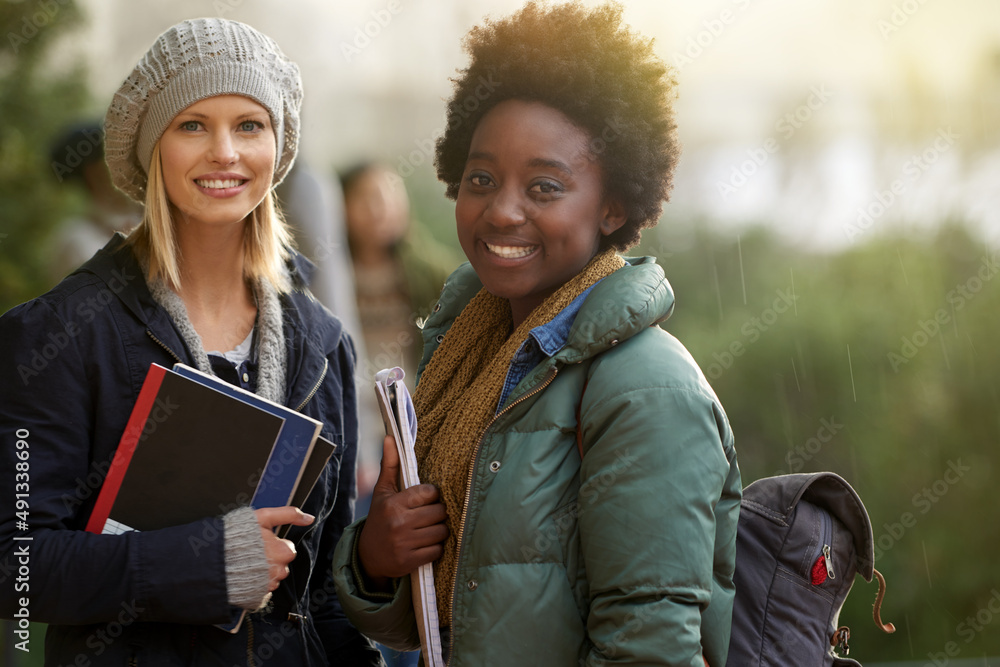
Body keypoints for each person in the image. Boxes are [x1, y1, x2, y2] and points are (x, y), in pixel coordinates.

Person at [331, 2, 742, 666]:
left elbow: (650, 647)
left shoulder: (646, 391)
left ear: (613, 205)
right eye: (481, 179)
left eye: (544, 186)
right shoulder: (466, 351)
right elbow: (460, 608)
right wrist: (378, 555)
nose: (501, 209)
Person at [0, 18, 382, 666]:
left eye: (249, 125)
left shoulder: (322, 344)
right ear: (153, 149)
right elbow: (16, 565)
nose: (226, 152)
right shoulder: (61, 332)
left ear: (277, 144)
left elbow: (324, 594)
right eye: (193, 125)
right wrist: (203, 563)